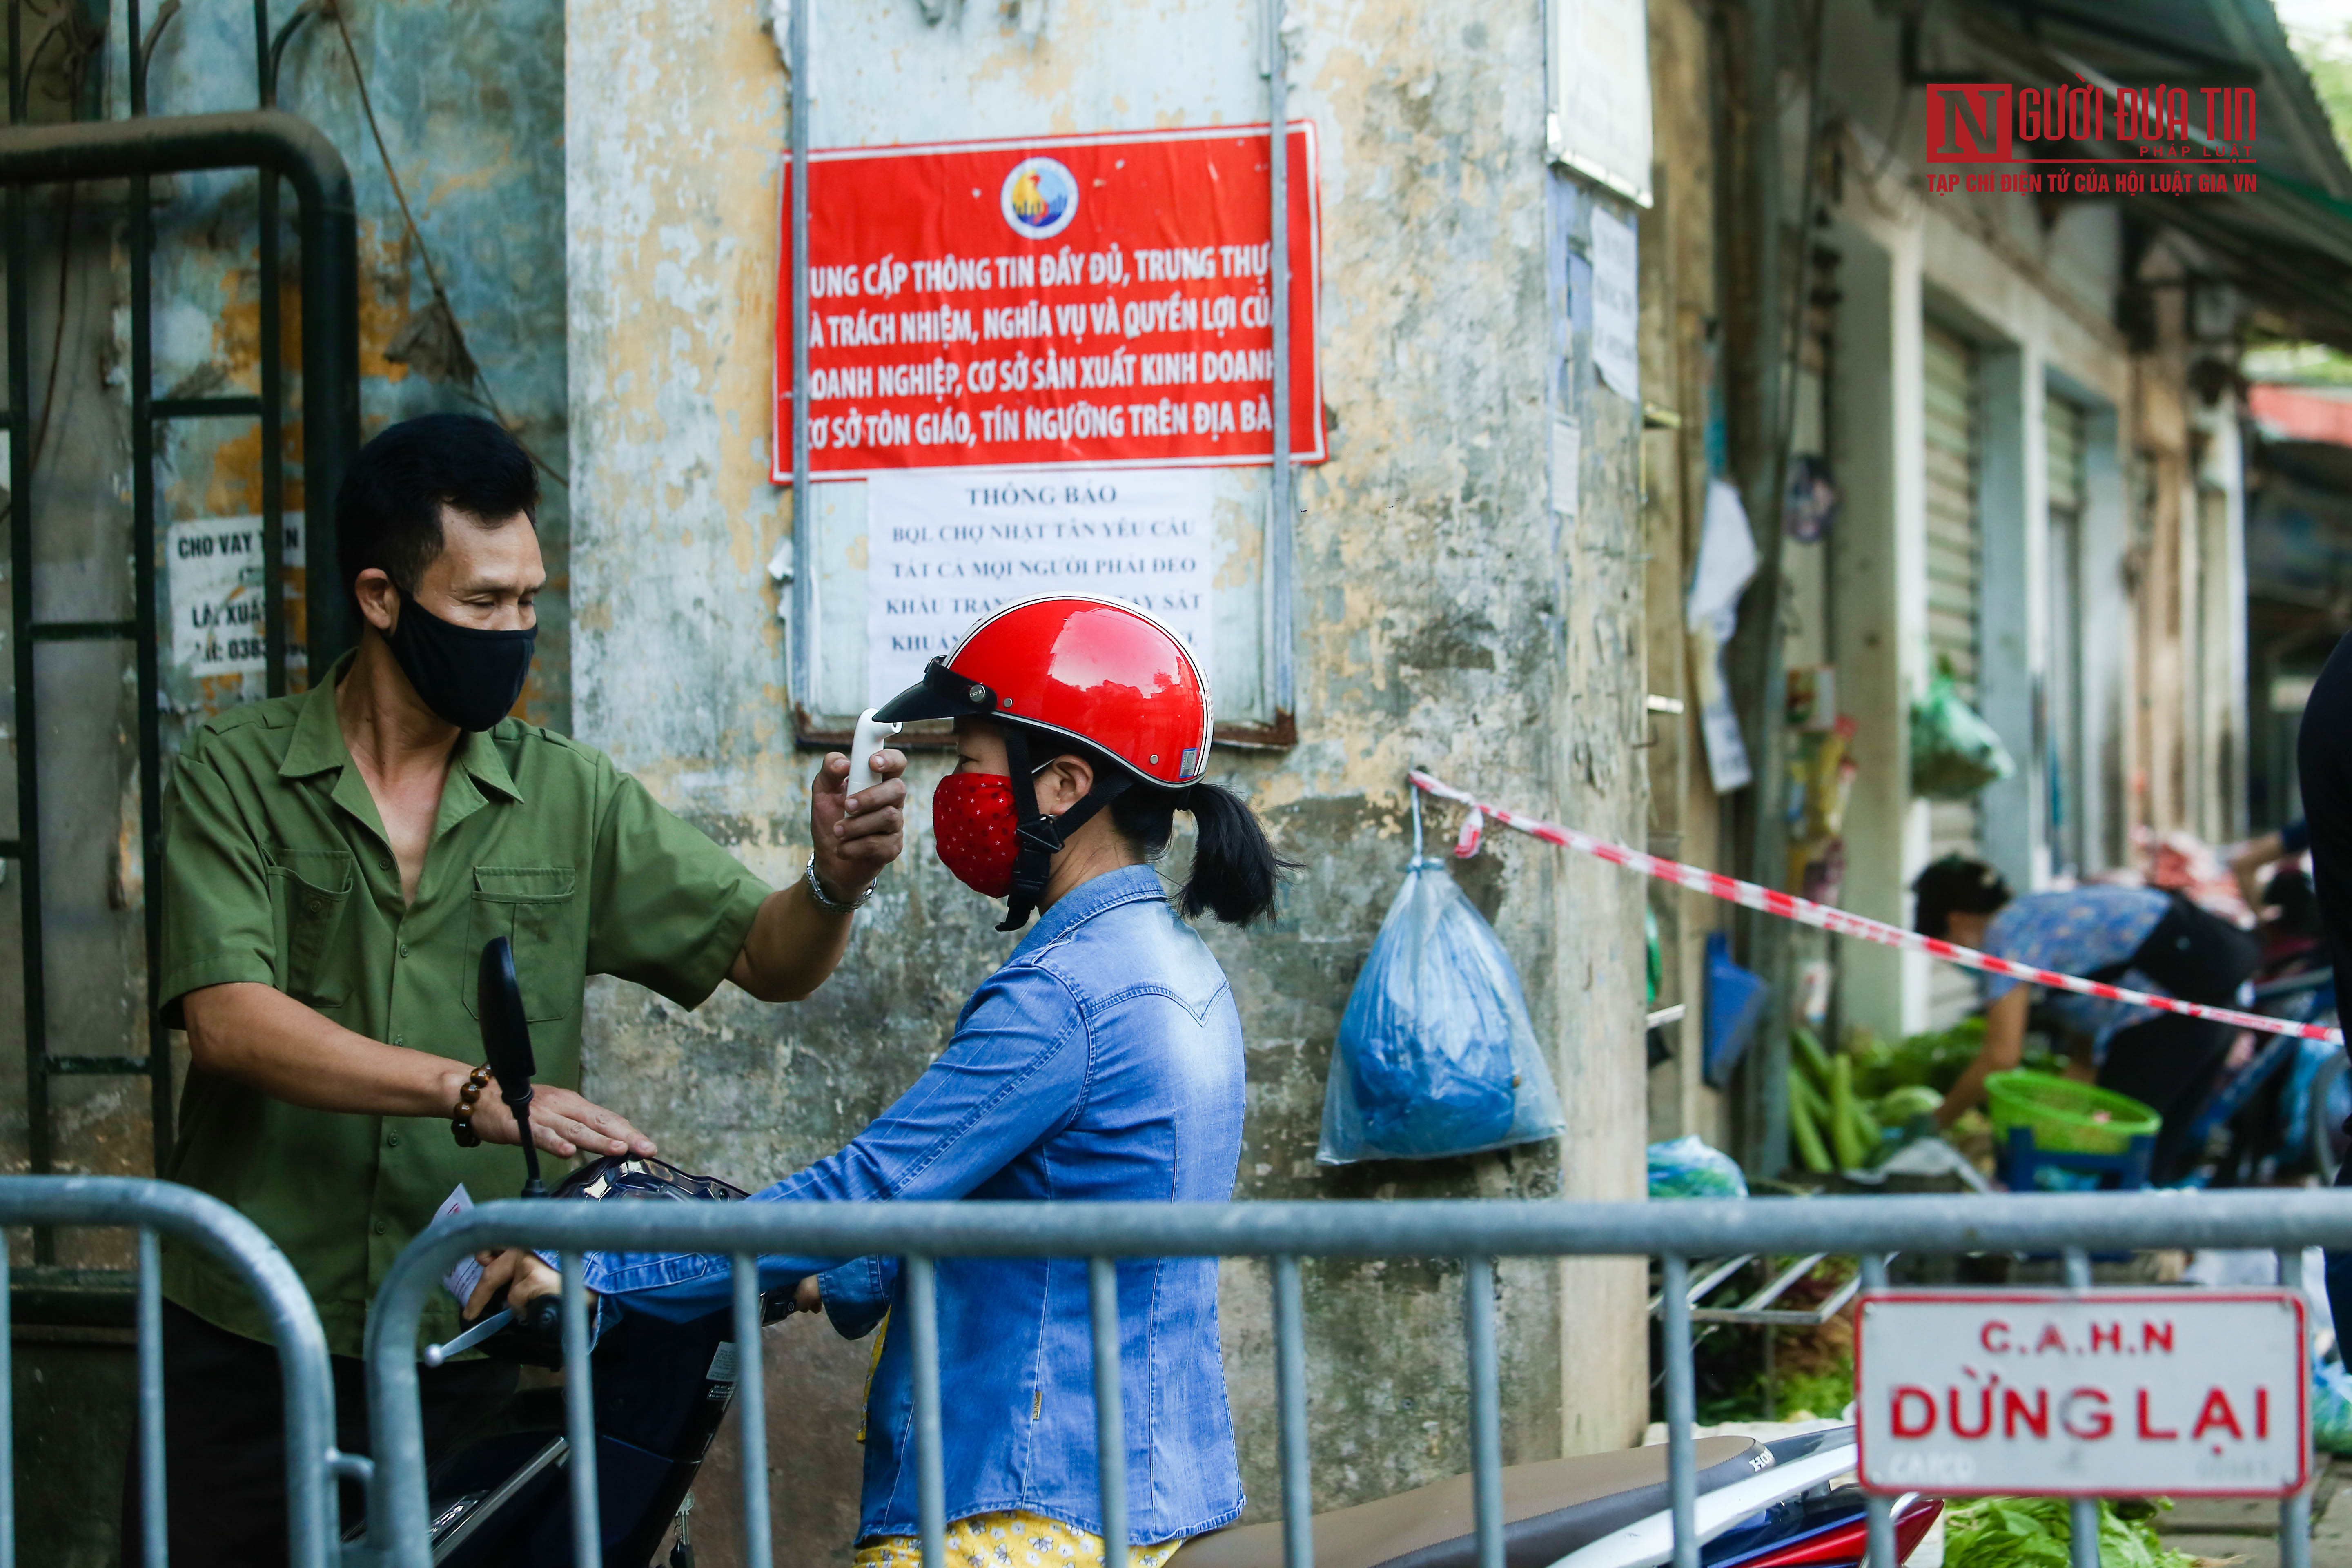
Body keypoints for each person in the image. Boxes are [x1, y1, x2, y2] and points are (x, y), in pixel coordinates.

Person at [141, 413, 908, 1564]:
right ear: (382, 596)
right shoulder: (238, 774)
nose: (517, 633)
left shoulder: (570, 796)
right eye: (484, 604)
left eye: (530, 601)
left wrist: (833, 882)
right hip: (251, 1330)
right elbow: (230, 1022)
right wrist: (475, 1093)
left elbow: (768, 957)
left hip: (474, 1343)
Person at [471, 595, 1292, 1568]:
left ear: (1065, 782)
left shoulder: (1063, 995)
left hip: (1024, 1508)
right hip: (1142, 1489)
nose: (954, 793)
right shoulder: (1174, 963)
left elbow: (866, 1192)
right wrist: (824, 1271)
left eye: (974, 766)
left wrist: (594, 1261)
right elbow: (1030, 1195)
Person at [1911, 855, 2256, 1182]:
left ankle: (2121, 1242)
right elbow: (2086, 1045)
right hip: (2210, 998)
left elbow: (2001, 1057)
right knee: (2153, 1158)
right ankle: (2152, 1239)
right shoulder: (2036, 913)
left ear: (1956, 922)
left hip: (2176, 1010)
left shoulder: (2007, 934)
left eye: (1948, 948)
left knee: (2120, 1158)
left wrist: (1935, 1123)